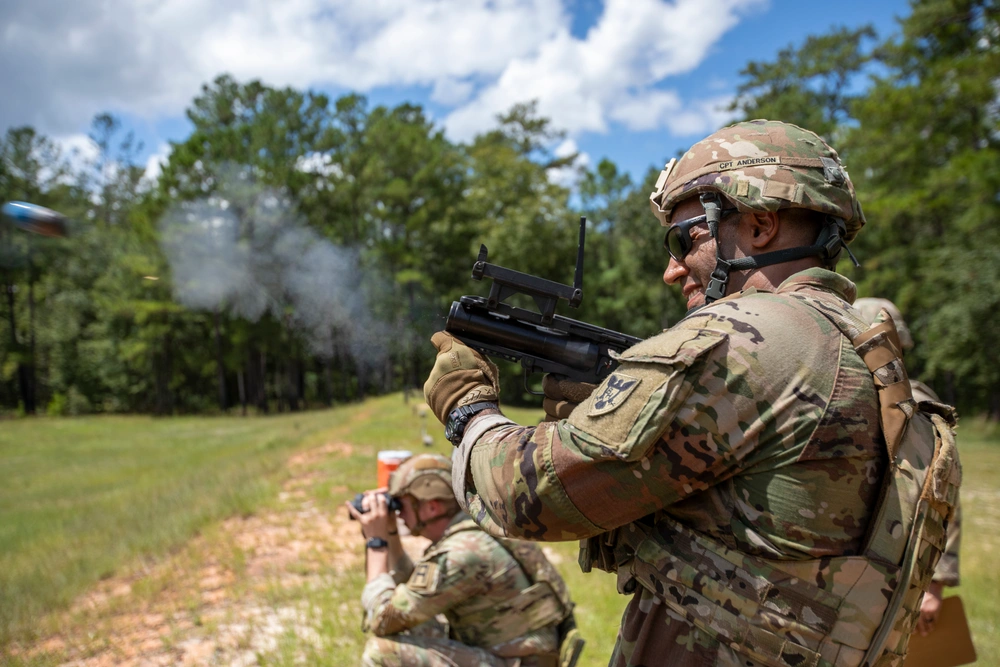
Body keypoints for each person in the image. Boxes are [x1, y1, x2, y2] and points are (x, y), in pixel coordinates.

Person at [423, 120, 961, 667]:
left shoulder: (743, 339)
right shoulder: (864, 354)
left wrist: (469, 408)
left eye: (686, 239)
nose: (671, 269)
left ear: (759, 225)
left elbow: (528, 497)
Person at [346, 452, 582, 667]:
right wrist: (389, 532)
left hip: (516, 662)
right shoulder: (482, 527)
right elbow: (409, 594)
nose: (398, 513)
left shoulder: (462, 552)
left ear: (432, 507)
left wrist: (375, 544)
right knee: (417, 623)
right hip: (518, 656)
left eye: (403, 504)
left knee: (382, 652)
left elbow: (382, 618)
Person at [854, 297, 963, 638]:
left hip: (904, 562)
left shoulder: (916, 405)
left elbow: (943, 494)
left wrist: (936, 584)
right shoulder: (851, 395)